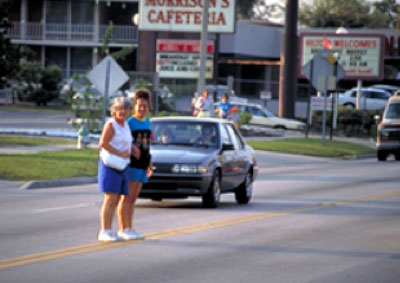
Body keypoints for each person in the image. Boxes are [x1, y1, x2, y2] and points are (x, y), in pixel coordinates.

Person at [118, 89, 153, 240]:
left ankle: (130, 227)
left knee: (133, 199)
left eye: (144, 105)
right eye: (139, 105)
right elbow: (124, 141)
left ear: (148, 106)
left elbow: (148, 145)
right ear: (134, 106)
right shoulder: (130, 122)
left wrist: (149, 164)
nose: (141, 108)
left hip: (143, 164)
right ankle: (122, 228)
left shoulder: (147, 122)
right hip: (132, 163)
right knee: (126, 197)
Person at [97, 97, 132, 242]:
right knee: (110, 198)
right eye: (119, 109)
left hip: (122, 165)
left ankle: (112, 230)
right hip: (110, 165)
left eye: (126, 109)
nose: (123, 112)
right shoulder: (111, 124)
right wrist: (121, 154)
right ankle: (104, 230)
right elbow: (103, 143)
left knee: (117, 198)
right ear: (114, 111)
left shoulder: (125, 125)